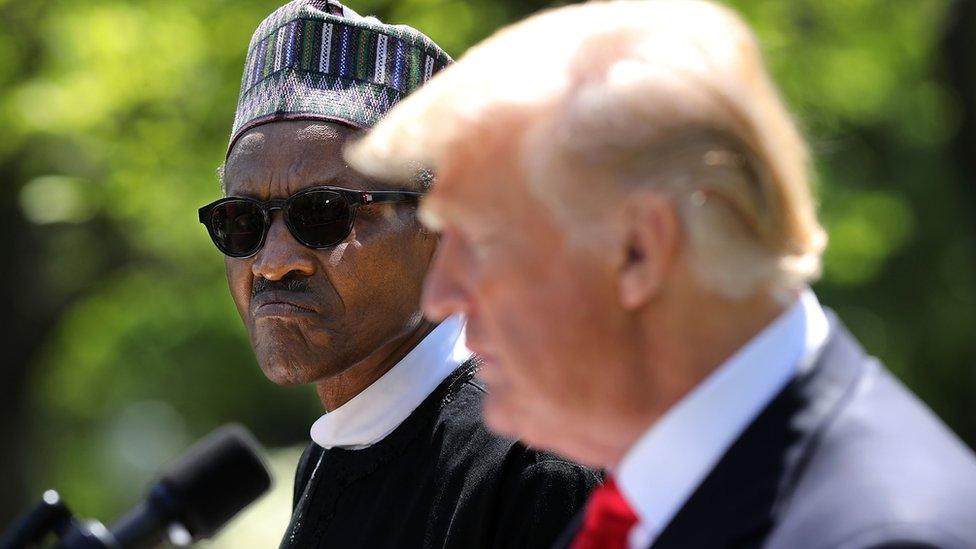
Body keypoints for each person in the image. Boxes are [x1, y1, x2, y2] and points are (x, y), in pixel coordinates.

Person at [345, 1, 976, 547]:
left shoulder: (882, 534)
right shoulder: (639, 504)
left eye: (479, 242)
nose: (442, 295)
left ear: (640, 251)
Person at [197, 1, 598, 547]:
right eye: (241, 222)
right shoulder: (330, 457)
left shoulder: (533, 467)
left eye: (324, 214)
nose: (272, 261)